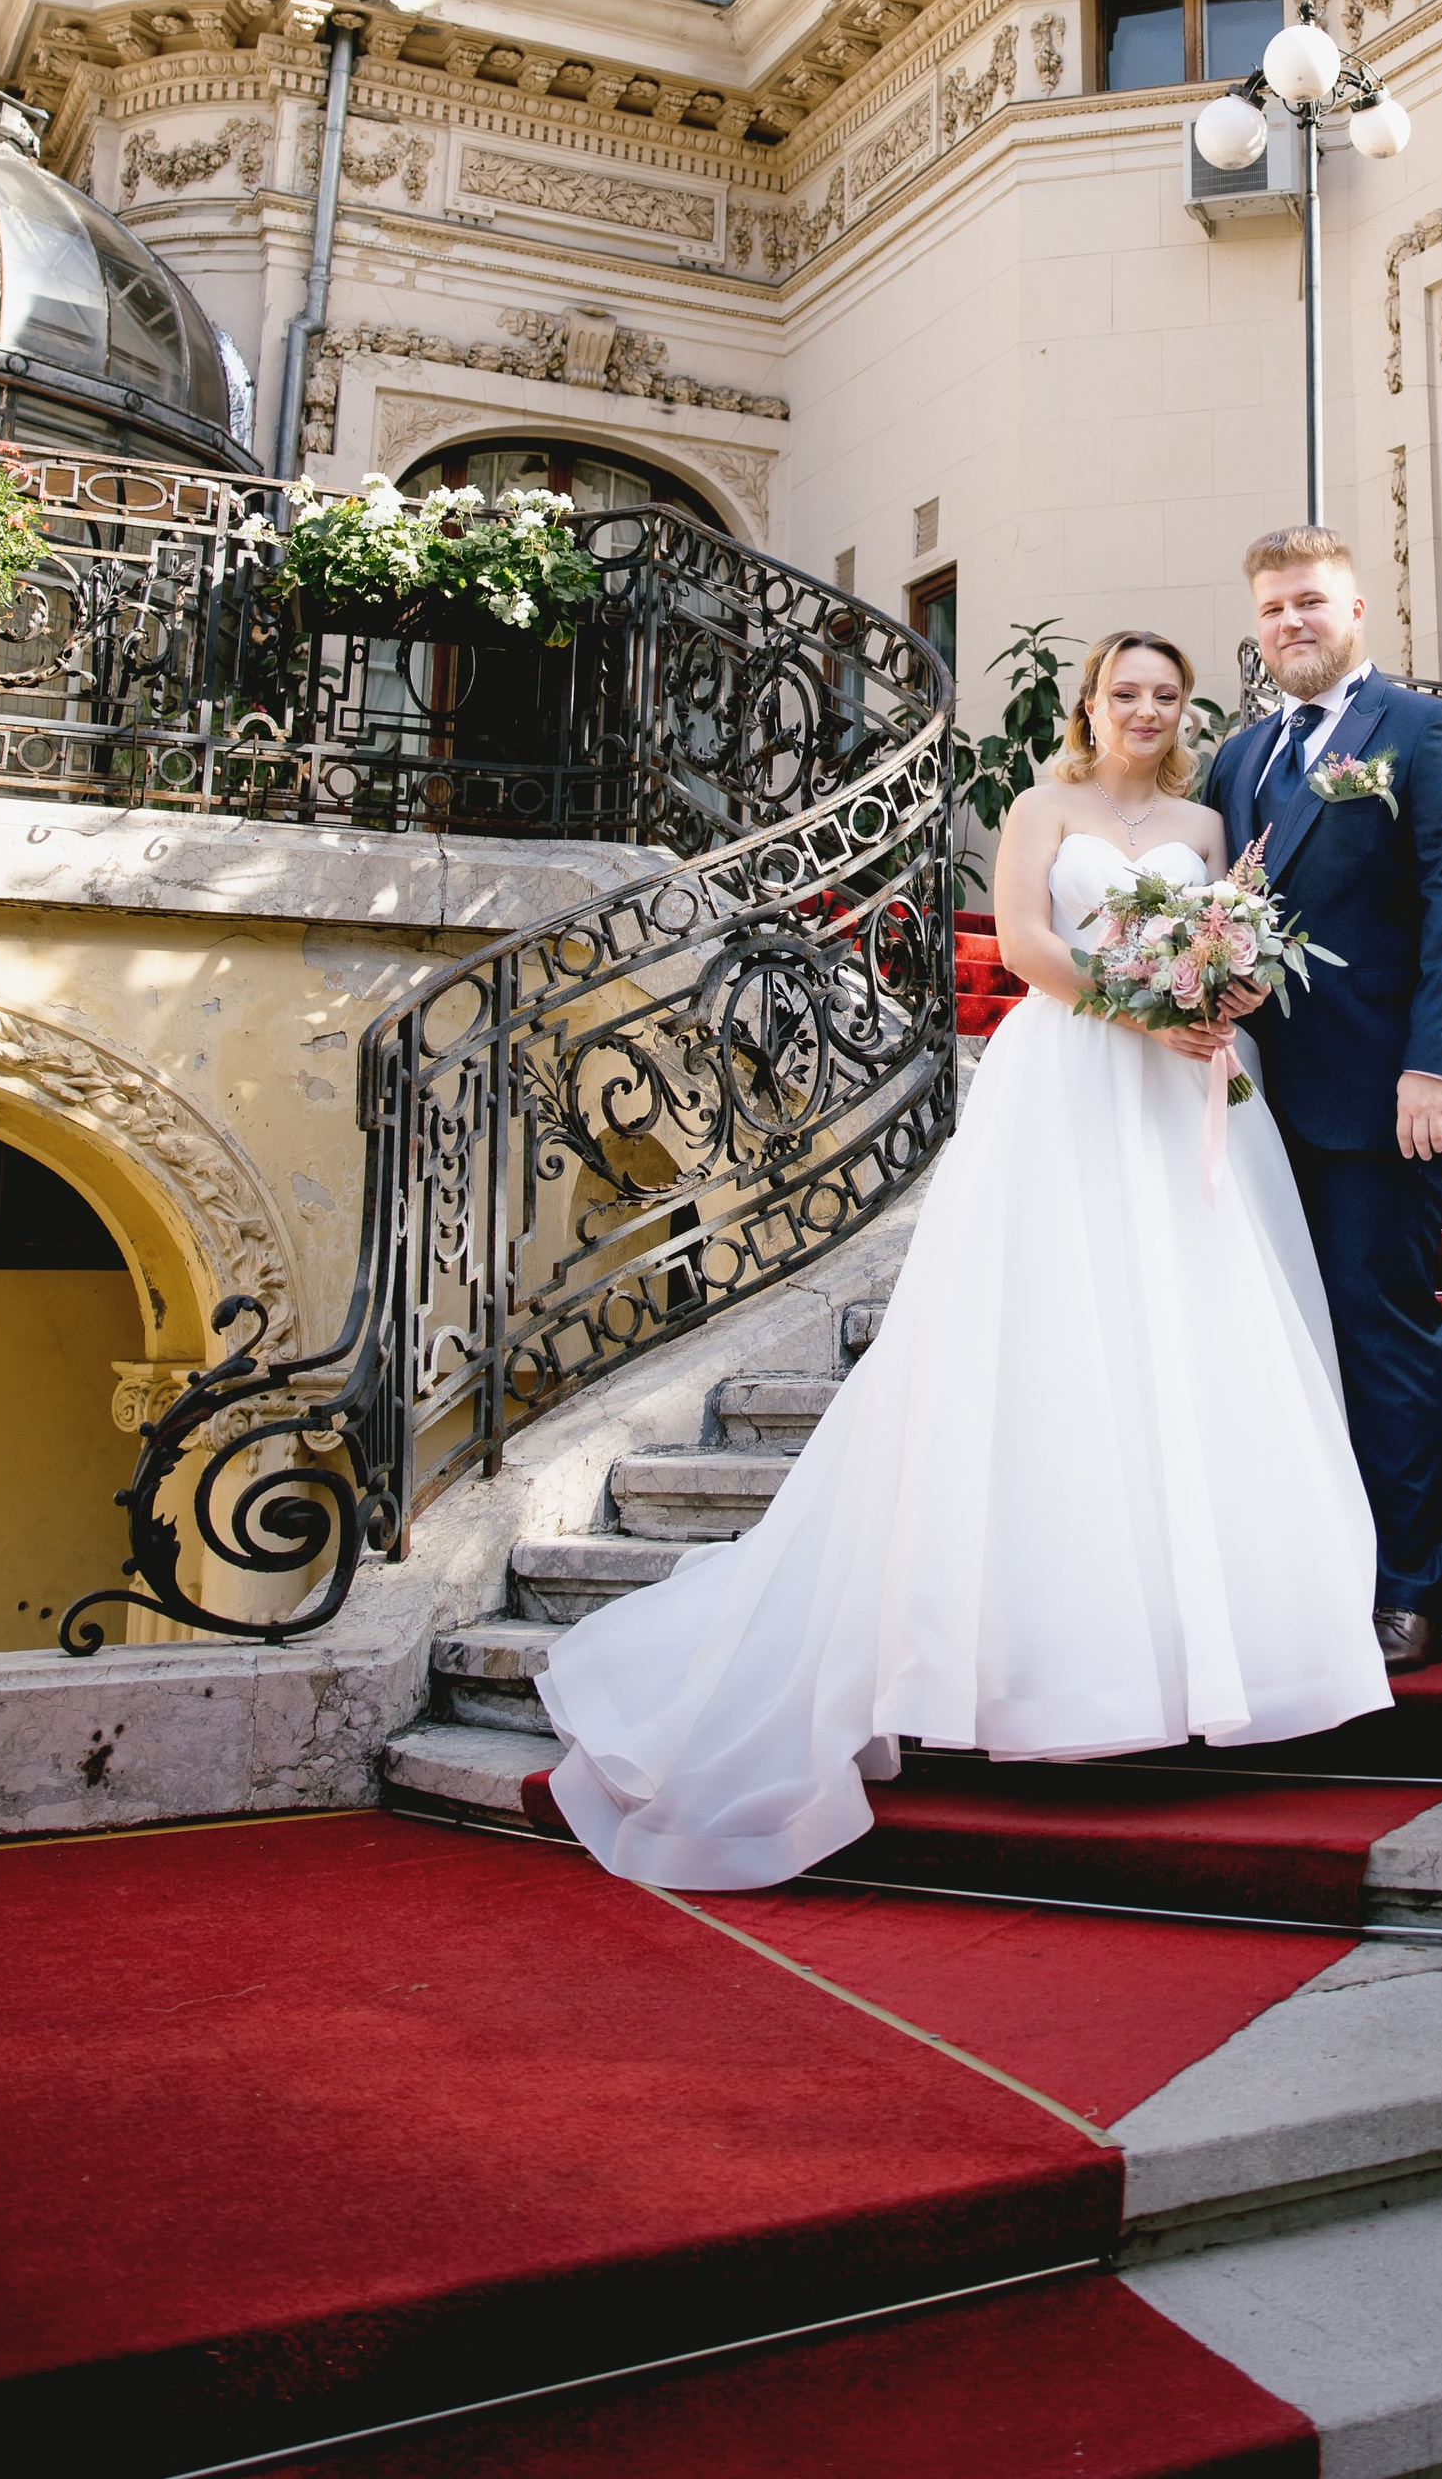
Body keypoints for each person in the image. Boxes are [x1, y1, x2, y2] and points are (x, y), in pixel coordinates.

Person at [534, 624, 1391, 1891]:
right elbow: (1034, 950)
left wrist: (1221, 997)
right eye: (1124, 692)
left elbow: (1239, 939)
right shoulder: (1040, 806)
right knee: (1049, 1344)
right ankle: (1019, 1662)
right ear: (1090, 703)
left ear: (1185, 710)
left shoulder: (1212, 832)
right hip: (1077, 1080)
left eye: (1165, 694)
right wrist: (1144, 1010)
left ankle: (1215, 1650)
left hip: (1191, 1098)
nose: (1144, 710)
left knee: (1205, 1339)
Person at [1199, 530, 1442, 1672]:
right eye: (1274, 609)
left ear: (1359, 610)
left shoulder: (1425, 734)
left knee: (1381, 1335)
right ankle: (1303, 1570)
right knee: (1278, 1344)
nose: (1291, 624)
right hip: (1250, 1104)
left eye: (1311, 603)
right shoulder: (1237, 760)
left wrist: (1436, 1063)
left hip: (1381, 1098)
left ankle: (1407, 1586)